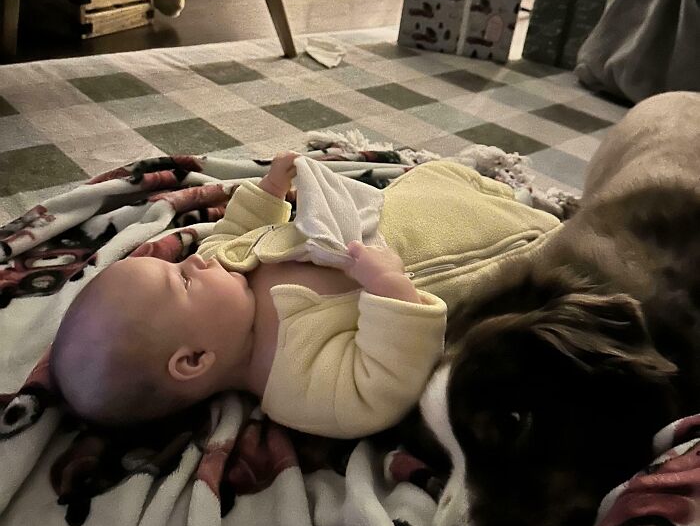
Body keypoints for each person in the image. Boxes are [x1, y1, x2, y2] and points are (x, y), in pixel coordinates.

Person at [50, 153, 559, 437]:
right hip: (455, 258)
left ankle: (476, 182)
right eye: (182, 281)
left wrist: (268, 192)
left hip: (390, 214)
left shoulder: (227, 266)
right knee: (531, 238)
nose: (196, 259)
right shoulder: (297, 386)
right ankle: (529, 209)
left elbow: (236, 227)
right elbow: (379, 386)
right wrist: (390, 292)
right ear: (195, 360)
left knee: (433, 180)